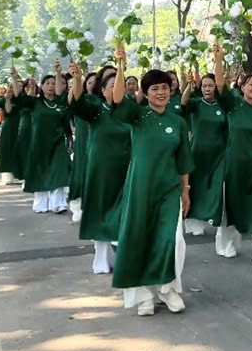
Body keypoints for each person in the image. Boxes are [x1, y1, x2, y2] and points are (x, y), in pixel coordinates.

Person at [111, 51, 195, 316]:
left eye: (164, 88)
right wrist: (121, 65)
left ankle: (167, 288)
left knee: (172, 241)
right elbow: (116, 98)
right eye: (154, 89)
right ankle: (144, 295)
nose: (161, 92)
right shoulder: (138, 116)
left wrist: (186, 191)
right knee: (140, 238)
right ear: (146, 93)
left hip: (169, 189)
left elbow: (183, 161)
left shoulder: (177, 122)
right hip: (140, 189)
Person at [68, 62, 131, 274]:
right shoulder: (95, 109)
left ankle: (125, 257)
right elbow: (76, 101)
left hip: (126, 169)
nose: (116, 89)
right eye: (112, 85)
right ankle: (101, 257)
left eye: (119, 84)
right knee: (100, 212)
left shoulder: (131, 111)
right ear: (102, 91)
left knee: (124, 212)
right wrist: (77, 78)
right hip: (101, 171)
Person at [215, 53, 252, 259]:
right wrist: (218, 58)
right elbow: (220, 85)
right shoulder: (233, 105)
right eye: (251, 84)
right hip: (236, 165)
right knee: (233, 206)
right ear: (242, 87)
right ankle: (226, 243)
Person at [13, 65, 71, 214]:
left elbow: (66, 122)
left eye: (53, 83)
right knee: (40, 171)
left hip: (58, 142)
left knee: (59, 170)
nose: (51, 86)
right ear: (42, 86)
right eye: (47, 83)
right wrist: (14, 79)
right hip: (39, 143)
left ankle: (58, 203)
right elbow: (19, 98)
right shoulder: (35, 102)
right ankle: (41, 203)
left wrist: (58, 72)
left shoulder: (61, 102)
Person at [180, 70, 226, 238]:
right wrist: (189, 87)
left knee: (215, 187)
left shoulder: (222, 105)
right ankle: (192, 221)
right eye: (205, 85)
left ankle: (212, 216)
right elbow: (183, 103)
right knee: (196, 186)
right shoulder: (196, 103)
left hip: (219, 153)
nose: (207, 89)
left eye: (211, 85)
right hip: (198, 152)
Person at [68, 71, 98, 219]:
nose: (93, 85)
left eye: (96, 82)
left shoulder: (103, 102)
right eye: (90, 82)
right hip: (82, 141)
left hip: (98, 144)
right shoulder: (83, 101)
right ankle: (78, 202)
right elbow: (72, 100)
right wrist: (77, 79)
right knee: (81, 170)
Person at [0, 80, 22, 184]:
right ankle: (7, 174)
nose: (17, 87)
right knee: (6, 150)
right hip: (9, 127)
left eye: (20, 86)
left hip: (23, 127)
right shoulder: (3, 99)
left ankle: (20, 174)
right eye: (14, 85)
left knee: (21, 150)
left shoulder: (25, 100)